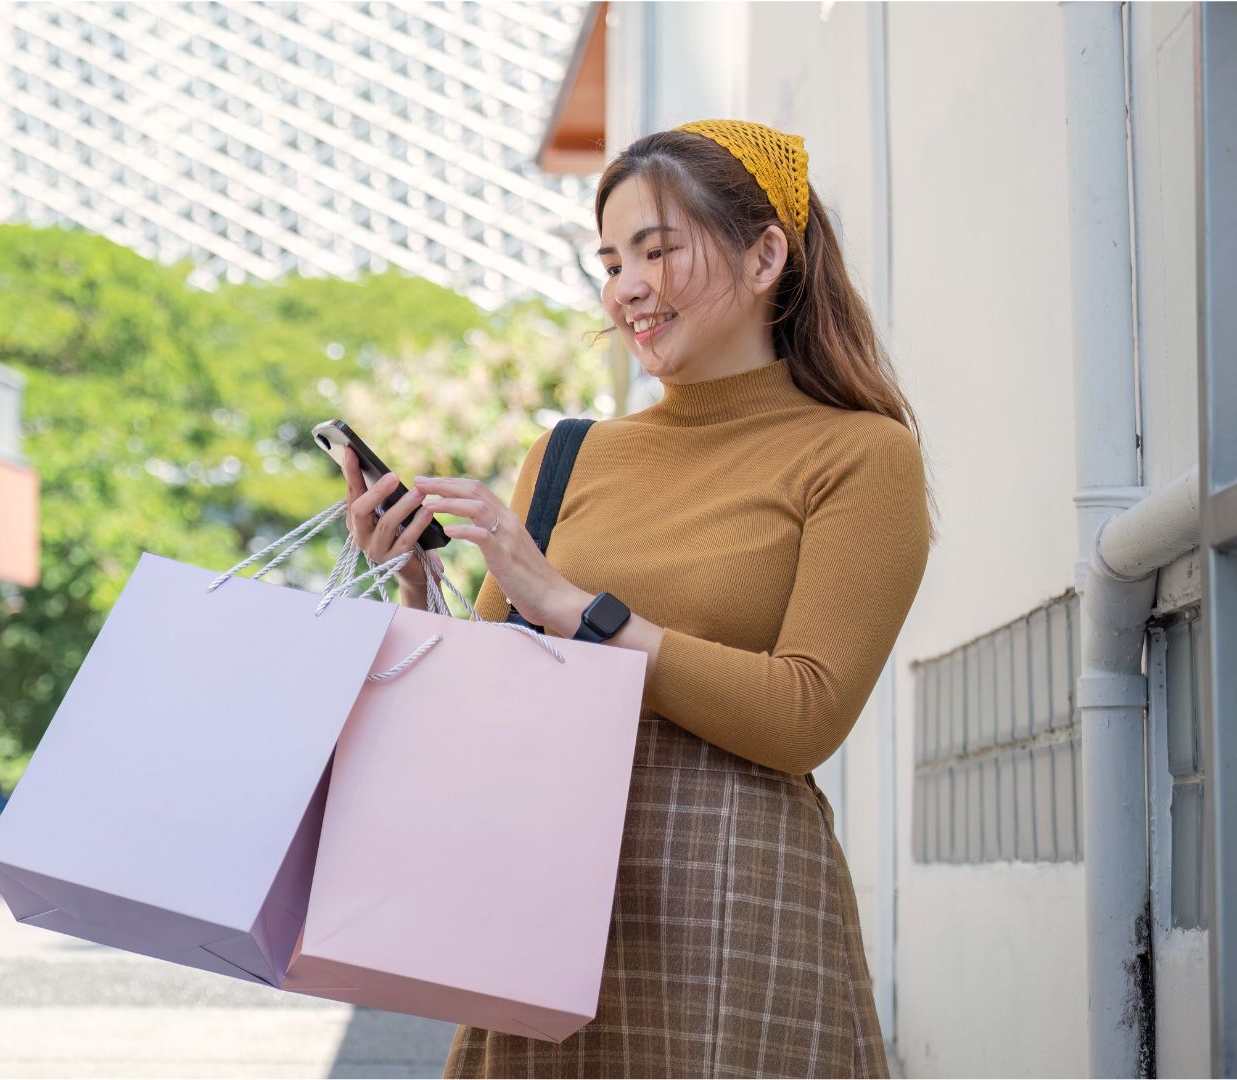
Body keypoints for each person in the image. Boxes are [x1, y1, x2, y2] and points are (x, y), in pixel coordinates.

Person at [343, 119, 935, 1078]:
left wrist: (583, 612)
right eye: (611, 260)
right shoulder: (572, 454)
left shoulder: (861, 456)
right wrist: (412, 579)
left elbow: (804, 715)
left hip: (738, 907)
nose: (626, 288)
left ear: (765, 256)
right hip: (544, 901)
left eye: (658, 252)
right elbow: (474, 712)